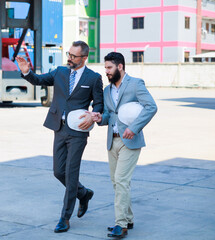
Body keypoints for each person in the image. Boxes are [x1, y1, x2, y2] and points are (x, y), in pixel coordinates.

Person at [16, 41, 103, 233]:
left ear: (84, 58)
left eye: (74, 56)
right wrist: (26, 72)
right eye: (69, 55)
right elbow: (39, 80)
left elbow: (99, 104)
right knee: (58, 171)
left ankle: (65, 217)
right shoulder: (60, 72)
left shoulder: (94, 78)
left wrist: (93, 114)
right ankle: (84, 193)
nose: (69, 59)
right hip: (59, 128)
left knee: (71, 174)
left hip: (78, 132)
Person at [90, 52, 157, 238]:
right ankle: (128, 218)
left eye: (109, 68)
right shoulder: (107, 90)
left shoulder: (136, 84)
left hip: (130, 140)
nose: (106, 71)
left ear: (120, 66)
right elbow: (107, 116)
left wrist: (134, 128)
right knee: (117, 182)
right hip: (112, 140)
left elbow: (151, 107)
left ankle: (121, 225)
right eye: (105, 68)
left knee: (121, 180)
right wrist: (98, 118)